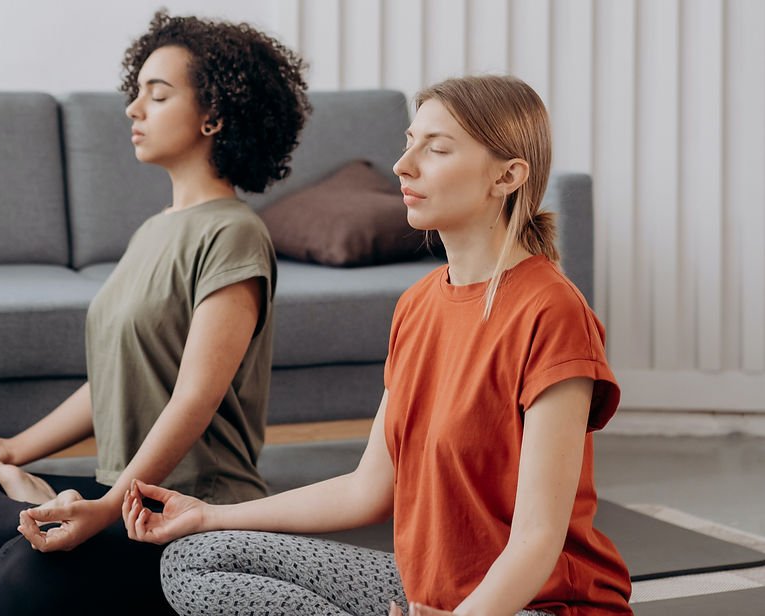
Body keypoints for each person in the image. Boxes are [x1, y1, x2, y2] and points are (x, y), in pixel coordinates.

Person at [122, 75, 633, 615]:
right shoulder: (417, 305)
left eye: (435, 149)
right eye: (409, 142)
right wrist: (209, 515)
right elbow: (367, 489)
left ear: (507, 176)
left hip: (543, 606)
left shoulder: (552, 312)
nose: (403, 165)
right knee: (196, 559)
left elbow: (535, 541)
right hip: (428, 595)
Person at [0, 10, 309, 615]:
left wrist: (104, 505)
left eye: (158, 93)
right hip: (124, 496)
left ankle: (48, 517)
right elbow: (114, 379)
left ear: (214, 116)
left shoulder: (234, 234)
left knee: (23, 581)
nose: (133, 109)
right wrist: (10, 452)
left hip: (186, 506)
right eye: (136, 91)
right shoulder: (151, 231)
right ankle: (37, 502)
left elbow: (194, 398)